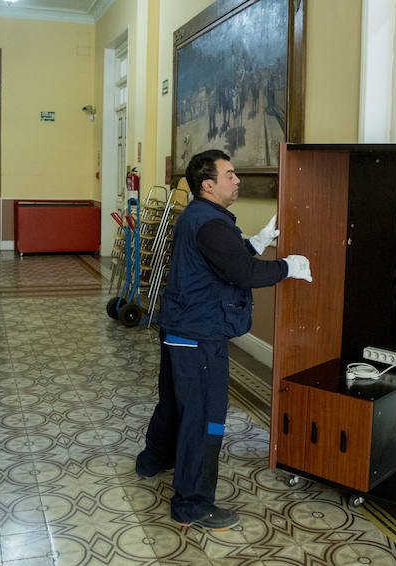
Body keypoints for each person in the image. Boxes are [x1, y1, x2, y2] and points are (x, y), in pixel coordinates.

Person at [136, 149, 312, 530]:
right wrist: (288, 267)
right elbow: (243, 272)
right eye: (229, 175)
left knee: (176, 403)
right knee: (204, 420)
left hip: (181, 328)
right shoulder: (211, 223)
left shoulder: (200, 216)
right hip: (198, 335)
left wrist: (257, 241)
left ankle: (153, 460)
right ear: (208, 184)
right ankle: (192, 505)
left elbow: (221, 260)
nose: (237, 180)